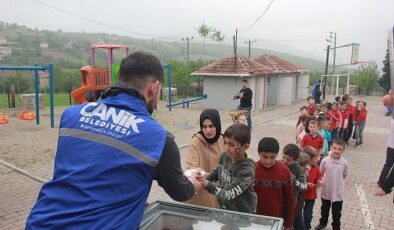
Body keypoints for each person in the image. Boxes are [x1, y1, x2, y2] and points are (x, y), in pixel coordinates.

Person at [25, 52, 201, 229]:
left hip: (41, 222)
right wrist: (192, 184)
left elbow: (93, 172)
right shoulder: (160, 139)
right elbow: (180, 192)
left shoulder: (71, 115)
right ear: (153, 88)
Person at [197, 123, 257, 213]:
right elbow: (217, 172)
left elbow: (228, 193)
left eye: (232, 145)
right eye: (225, 143)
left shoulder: (247, 171)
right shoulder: (224, 156)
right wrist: (201, 179)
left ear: (245, 147)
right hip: (226, 209)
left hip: (243, 215)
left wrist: (206, 183)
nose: (227, 148)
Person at [185, 109, 225, 208]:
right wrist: (199, 173)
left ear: (217, 125)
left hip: (218, 190)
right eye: (204, 127)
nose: (208, 130)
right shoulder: (196, 142)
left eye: (211, 126)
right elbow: (192, 167)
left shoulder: (222, 139)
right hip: (202, 193)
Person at [254, 137, 295, 230]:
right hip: (254, 220)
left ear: (277, 155)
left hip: (276, 221)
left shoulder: (285, 172)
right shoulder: (251, 170)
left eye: (272, 157)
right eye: (265, 157)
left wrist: (288, 225)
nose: (268, 161)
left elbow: (290, 201)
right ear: (258, 153)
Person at [315, 139, 348, 230]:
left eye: (339, 149)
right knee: (324, 209)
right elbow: (320, 173)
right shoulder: (325, 160)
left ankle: (336, 226)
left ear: (343, 150)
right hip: (326, 189)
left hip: (337, 191)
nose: (337, 151)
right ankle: (323, 223)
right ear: (331, 148)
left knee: (337, 212)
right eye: (335, 148)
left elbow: (344, 175)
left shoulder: (344, 163)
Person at [282, 144, 307, 230]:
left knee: (296, 222)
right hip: (280, 201)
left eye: (288, 160)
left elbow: (304, 187)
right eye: (284, 157)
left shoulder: (299, 169)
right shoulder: (279, 164)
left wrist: (295, 181)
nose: (285, 161)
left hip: (294, 204)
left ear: (295, 160)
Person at [375, 90, 394, 203]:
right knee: (388, 164)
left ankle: (382, 183)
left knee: (388, 164)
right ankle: (382, 182)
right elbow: (387, 99)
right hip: (391, 145)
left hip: (391, 145)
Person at [303, 146, 323, 230]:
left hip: (311, 195)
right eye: (315, 158)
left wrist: (319, 181)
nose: (318, 160)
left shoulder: (316, 168)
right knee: (297, 214)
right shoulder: (302, 168)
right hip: (301, 195)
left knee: (308, 214)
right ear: (308, 159)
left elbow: (319, 177)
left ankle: (307, 227)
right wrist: (306, 184)